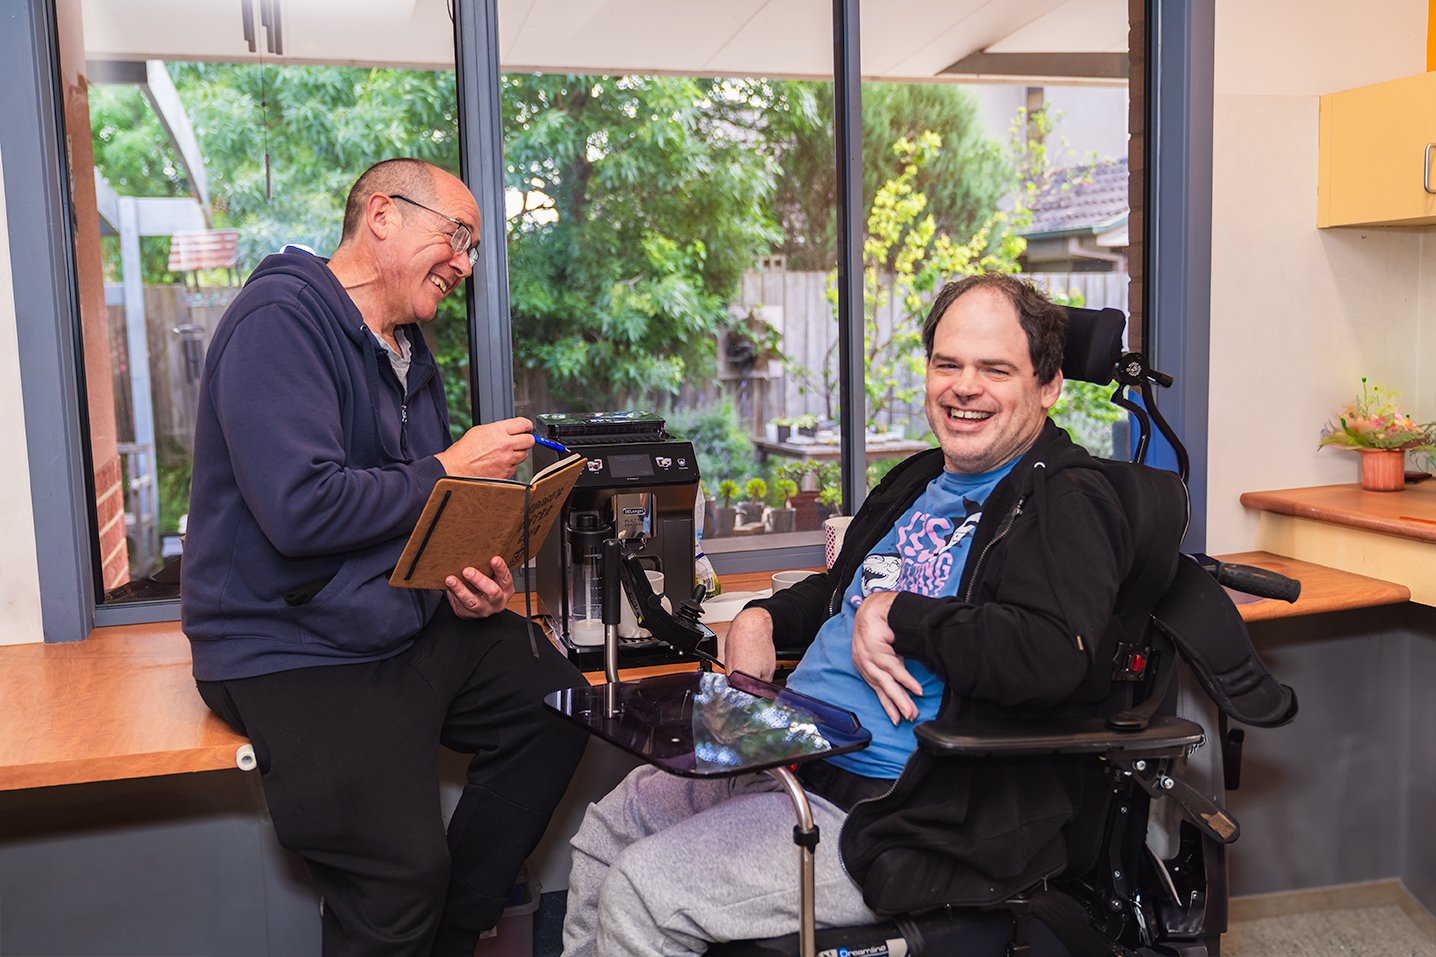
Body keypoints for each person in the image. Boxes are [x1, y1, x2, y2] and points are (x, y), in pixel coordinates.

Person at [562, 273, 1138, 956]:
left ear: (1048, 386)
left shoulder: (1068, 499)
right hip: (798, 755)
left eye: (995, 369)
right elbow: (845, 586)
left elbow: (1050, 654)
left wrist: (900, 614)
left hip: (898, 808)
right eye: (947, 363)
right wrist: (761, 618)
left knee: (645, 887)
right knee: (609, 827)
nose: (962, 386)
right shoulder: (919, 478)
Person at [182, 158, 588, 957]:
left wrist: (460, 576)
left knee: (554, 704)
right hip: (285, 644)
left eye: (472, 248)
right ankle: (416, 912)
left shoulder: (406, 350)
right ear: (381, 215)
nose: (466, 264)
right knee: (399, 872)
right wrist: (452, 467)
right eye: (458, 237)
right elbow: (301, 510)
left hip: (390, 615)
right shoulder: (279, 320)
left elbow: (408, 513)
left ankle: (445, 932)